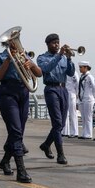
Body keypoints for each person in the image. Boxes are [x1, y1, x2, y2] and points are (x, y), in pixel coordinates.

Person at [0, 40, 42, 183]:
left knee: (18, 131)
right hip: (8, 92)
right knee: (15, 131)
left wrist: (31, 64)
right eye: (11, 42)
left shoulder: (24, 55)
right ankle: (21, 170)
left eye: (16, 40)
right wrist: (9, 59)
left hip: (23, 92)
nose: (15, 44)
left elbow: (38, 74)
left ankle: (5, 161)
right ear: (6, 45)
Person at [37, 33, 75, 165]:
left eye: (58, 42)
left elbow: (70, 73)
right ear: (48, 44)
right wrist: (59, 55)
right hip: (51, 89)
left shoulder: (64, 58)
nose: (57, 45)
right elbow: (46, 69)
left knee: (62, 124)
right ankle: (61, 154)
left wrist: (69, 58)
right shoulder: (42, 58)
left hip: (63, 89)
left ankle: (47, 144)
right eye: (53, 43)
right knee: (57, 123)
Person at [77, 61, 95, 140]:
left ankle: (88, 134)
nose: (80, 69)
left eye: (81, 67)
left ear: (86, 67)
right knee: (83, 117)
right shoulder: (82, 76)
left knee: (88, 117)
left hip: (88, 99)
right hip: (82, 99)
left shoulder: (90, 77)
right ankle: (84, 133)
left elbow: (94, 87)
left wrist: (94, 97)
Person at [61, 69, 79, 138]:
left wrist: (77, 93)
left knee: (73, 113)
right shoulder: (63, 72)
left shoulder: (73, 72)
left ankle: (74, 132)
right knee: (65, 113)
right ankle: (65, 131)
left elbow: (77, 83)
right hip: (64, 92)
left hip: (71, 93)